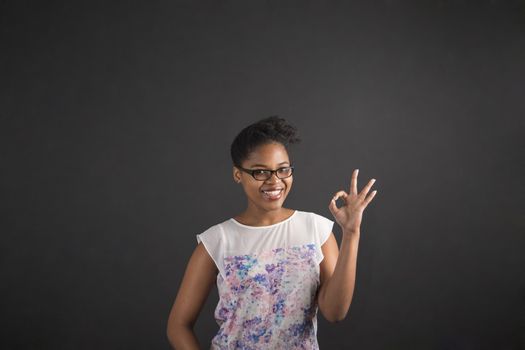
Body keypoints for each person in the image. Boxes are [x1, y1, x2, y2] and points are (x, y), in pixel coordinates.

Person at [166, 116, 378, 349]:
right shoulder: (217, 241)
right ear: (238, 174)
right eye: (261, 172)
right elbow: (178, 325)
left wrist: (351, 233)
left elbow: (335, 312)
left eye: (282, 170)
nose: (274, 181)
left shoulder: (316, 229)